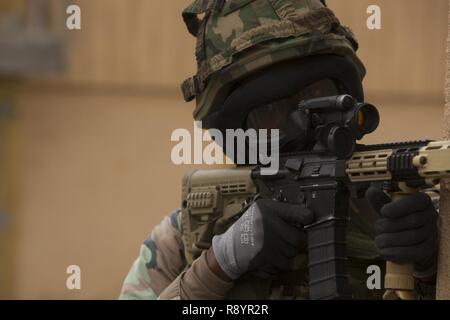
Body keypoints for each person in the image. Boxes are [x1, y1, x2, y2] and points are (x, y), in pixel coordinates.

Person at [119, 0, 439, 300]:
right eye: (270, 110)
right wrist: (220, 264)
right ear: (237, 132)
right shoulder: (183, 238)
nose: (302, 121)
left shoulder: (411, 203)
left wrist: (433, 265)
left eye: (316, 93)